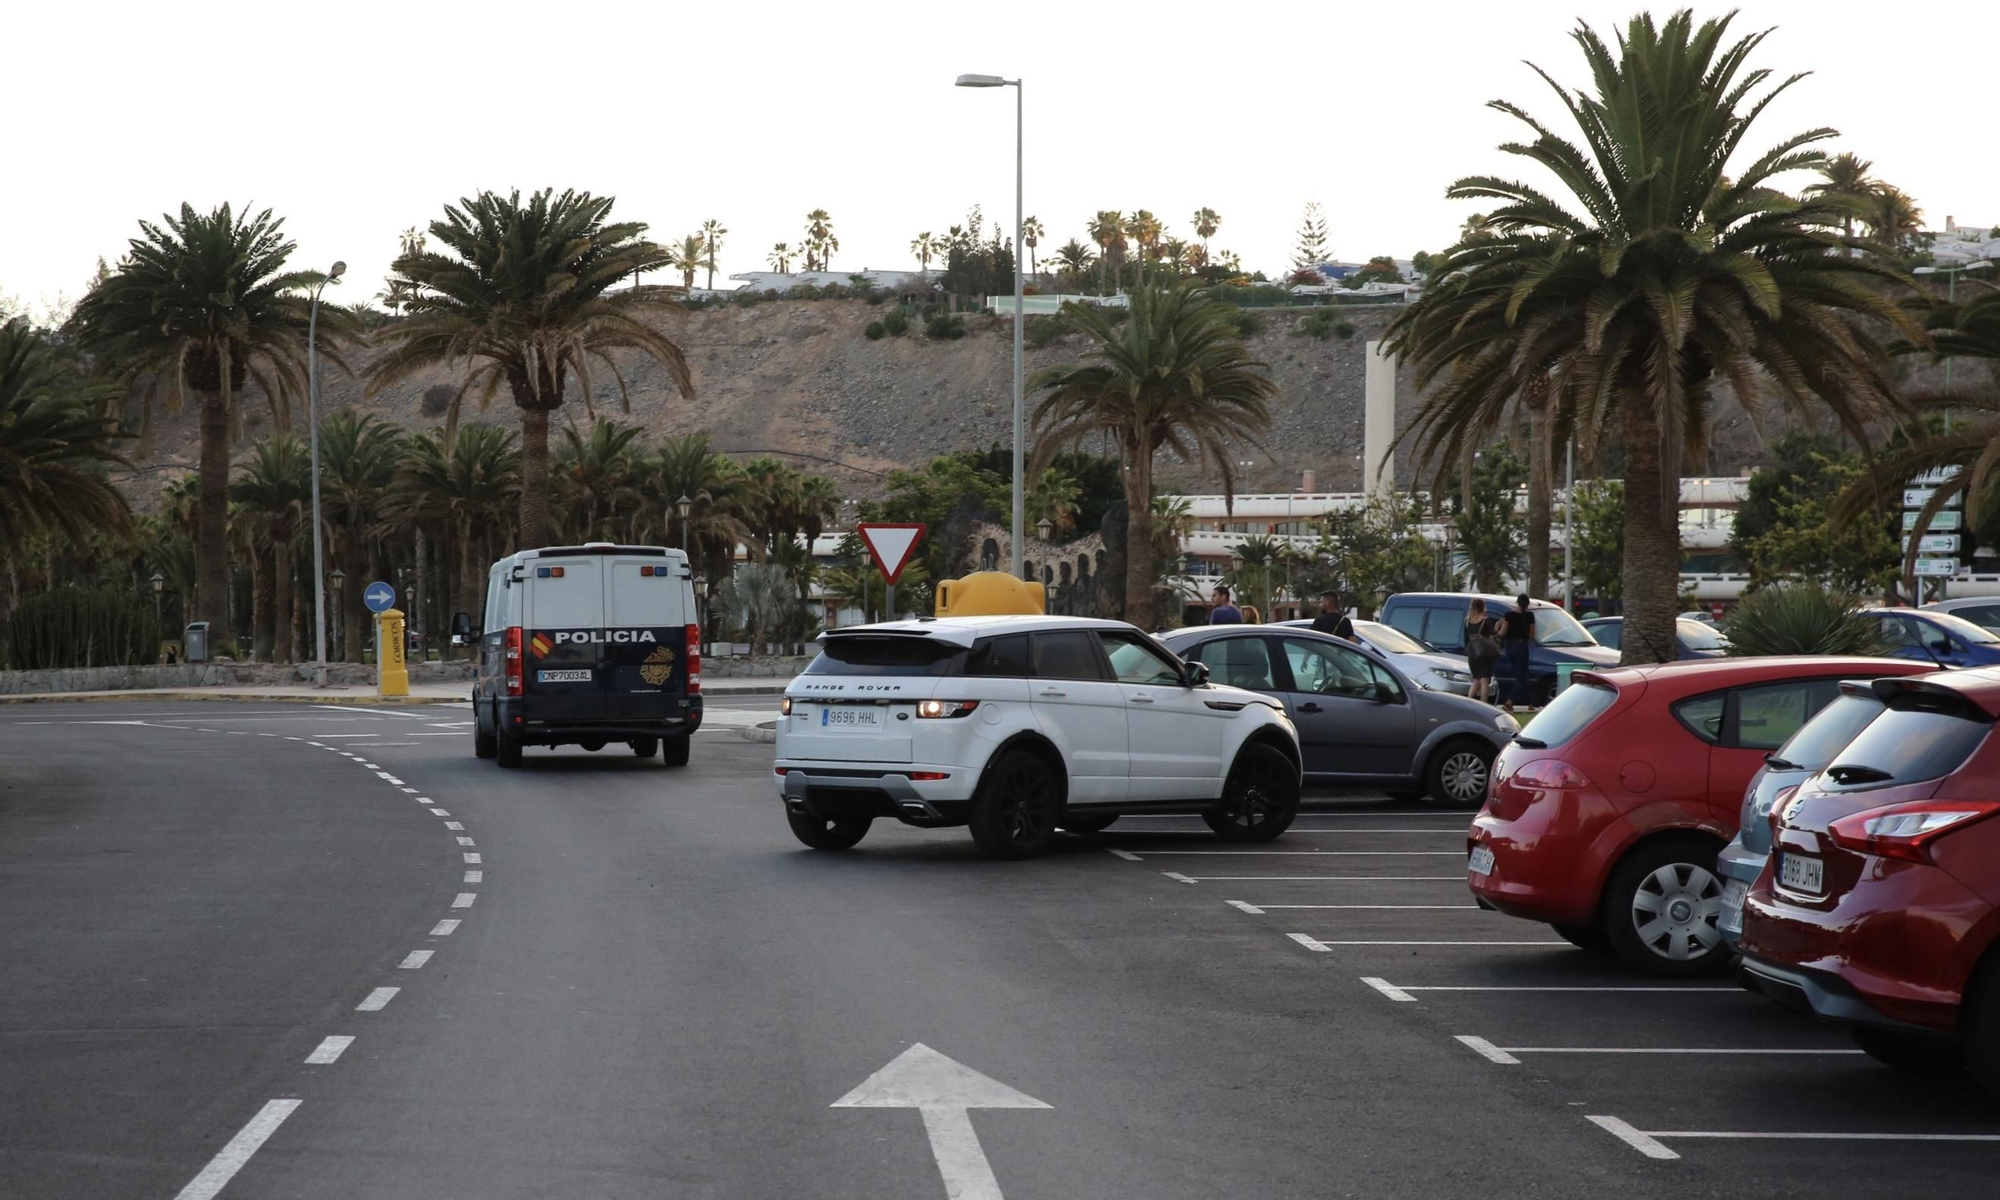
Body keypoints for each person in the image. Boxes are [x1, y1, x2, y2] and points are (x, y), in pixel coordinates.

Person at [1499, 593, 1537, 712]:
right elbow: (1531, 635)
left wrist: (1497, 627)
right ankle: (1509, 701)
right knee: (1521, 676)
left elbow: (1502, 633)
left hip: (1509, 647)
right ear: (1527, 604)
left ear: (1517, 602)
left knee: (1521, 675)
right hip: (1522, 646)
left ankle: (1530, 703)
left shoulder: (1508, 615)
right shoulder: (1529, 616)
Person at [1463, 598, 1500, 704]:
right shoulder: (1486, 620)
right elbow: (1492, 634)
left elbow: (1465, 640)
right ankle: (1483, 704)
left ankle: (1468, 702)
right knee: (1484, 680)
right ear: (1482, 606)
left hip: (1472, 652)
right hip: (1484, 653)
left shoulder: (1467, 621)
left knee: (1476, 680)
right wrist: (1498, 626)